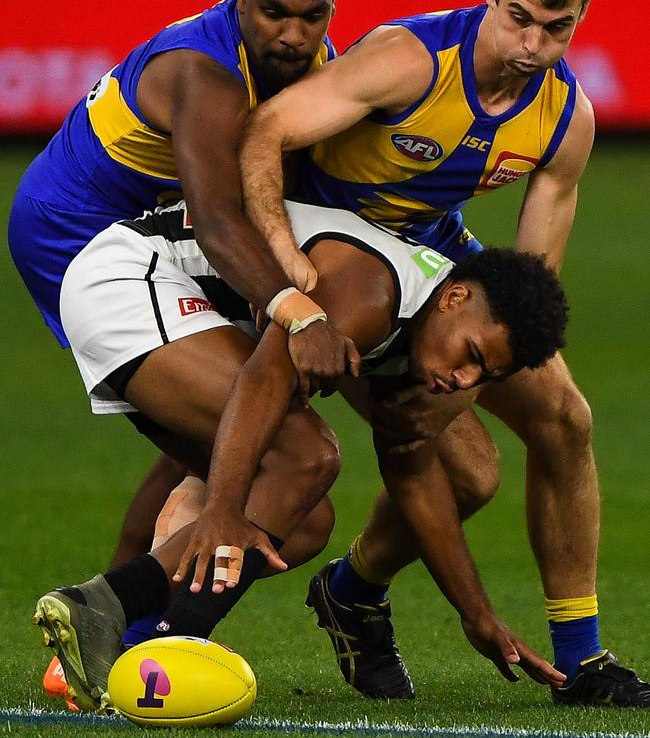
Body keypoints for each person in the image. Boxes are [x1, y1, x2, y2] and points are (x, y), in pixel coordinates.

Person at [236, 0, 650, 706]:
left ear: (582, 18)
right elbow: (269, 130)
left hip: (429, 263)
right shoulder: (410, 60)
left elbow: (526, 294)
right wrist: (288, 280)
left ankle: (580, 659)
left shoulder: (566, 122)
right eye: (518, 17)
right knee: (469, 470)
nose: (531, 45)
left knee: (566, 416)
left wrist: (469, 374)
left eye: (556, 28)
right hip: (340, 256)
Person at [9, 0, 357, 704]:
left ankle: (95, 645)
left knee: (255, 475)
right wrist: (299, 313)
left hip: (168, 245)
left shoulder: (319, 68)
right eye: (273, 11)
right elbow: (222, 216)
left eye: (312, 15)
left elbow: (286, 202)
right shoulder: (202, 71)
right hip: (79, 239)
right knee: (264, 441)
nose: (293, 35)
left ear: (334, 1)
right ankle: (133, 635)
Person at [33, 196, 569, 712]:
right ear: (455, 297)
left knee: (303, 523)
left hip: (175, 310)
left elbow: (414, 476)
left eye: (485, 375)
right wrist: (221, 507)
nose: (463, 379)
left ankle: (112, 619)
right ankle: (155, 638)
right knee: (307, 454)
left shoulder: (417, 335)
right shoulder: (374, 290)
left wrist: (476, 615)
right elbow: (262, 378)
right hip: (130, 278)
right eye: (471, 355)